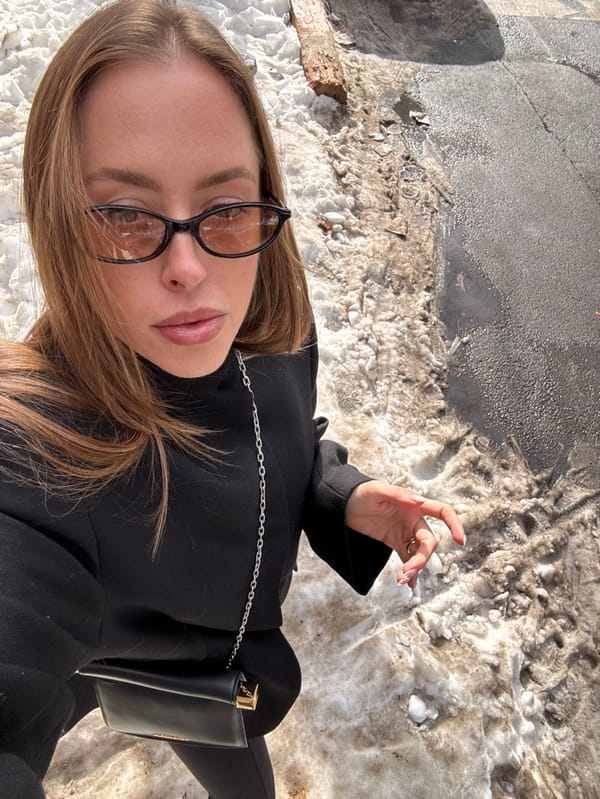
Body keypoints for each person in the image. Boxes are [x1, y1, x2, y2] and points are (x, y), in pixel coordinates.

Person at [0, 1, 465, 797]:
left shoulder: (262, 316)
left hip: (234, 682)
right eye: (123, 216)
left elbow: (281, 438)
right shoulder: (41, 457)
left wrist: (340, 495)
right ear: (57, 218)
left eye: (225, 203)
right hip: (156, 676)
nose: (189, 266)